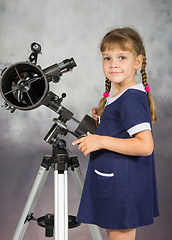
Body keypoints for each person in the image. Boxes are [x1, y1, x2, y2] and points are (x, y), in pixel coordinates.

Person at [72, 27, 159, 240]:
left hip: (123, 188)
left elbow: (145, 146)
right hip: (116, 183)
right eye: (107, 58)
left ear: (138, 62)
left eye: (122, 57)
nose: (114, 64)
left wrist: (100, 140)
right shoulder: (122, 97)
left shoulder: (130, 99)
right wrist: (103, 119)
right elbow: (122, 132)